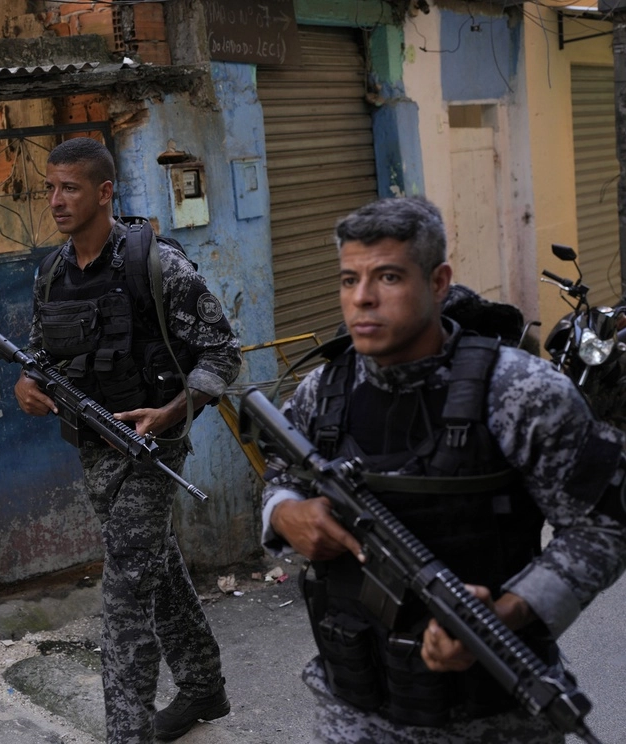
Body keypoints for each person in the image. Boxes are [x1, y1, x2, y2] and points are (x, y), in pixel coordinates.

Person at [260, 196, 626, 743]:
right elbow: (279, 474)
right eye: (348, 279)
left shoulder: (520, 391)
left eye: (387, 277)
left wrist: (507, 613)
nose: (361, 299)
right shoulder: (324, 391)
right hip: (353, 709)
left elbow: (603, 526)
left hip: (493, 718)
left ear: (437, 282)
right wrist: (284, 513)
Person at [14, 137, 241, 742]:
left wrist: (171, 413)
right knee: (155, 568)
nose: (56, 200)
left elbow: (223, 353)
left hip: (152, 451)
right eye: (51, 187)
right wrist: (26, 383)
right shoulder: (53, 274)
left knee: (123, 596)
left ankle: (126, 733)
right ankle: (202, 686)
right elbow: (41, 353)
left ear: (104, 192)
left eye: (70, 188)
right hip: (93, 450)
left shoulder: (157, 266)